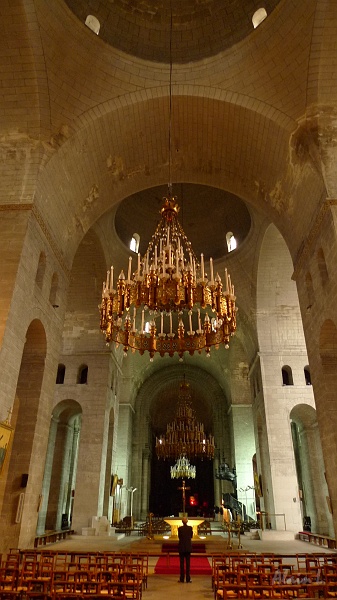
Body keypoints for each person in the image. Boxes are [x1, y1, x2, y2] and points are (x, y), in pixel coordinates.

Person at [178, 516, 193, 583]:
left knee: (181, 564)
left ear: (182, 522)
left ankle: (181, 579)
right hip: (188, 547)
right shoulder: (190, 528)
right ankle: (188, 579)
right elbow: (191, 536)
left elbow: (179, 537)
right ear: (187, 521)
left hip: (181, 547)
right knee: (188, 564)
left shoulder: (180, 528)